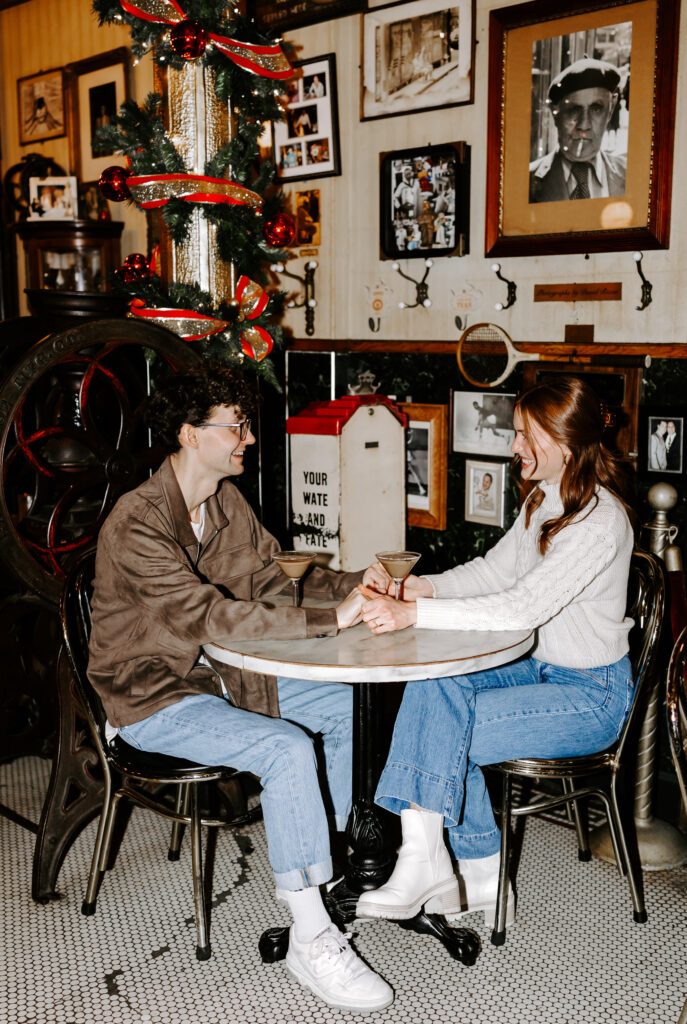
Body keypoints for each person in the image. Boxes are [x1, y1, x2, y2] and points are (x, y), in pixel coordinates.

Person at [87, 366, 393, 1013]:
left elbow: (277, 582)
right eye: (236, 426)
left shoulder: (225, 504)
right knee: (285, 750)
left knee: (343, 708)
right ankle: (313, 942)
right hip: (151, 698)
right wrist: (327, 621)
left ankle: (320, 876)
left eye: (245, 425)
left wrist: (356, 588)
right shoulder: (136, 522)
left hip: (217, 680)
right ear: (190, 434)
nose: (248, 439)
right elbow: (208, 616)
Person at [354, 376, 635, 930]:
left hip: (592, 695)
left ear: (564, 441)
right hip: (542, 669)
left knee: (442, 731)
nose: (513, 447)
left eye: (525, 435)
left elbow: (519, 608)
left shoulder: (600, 523)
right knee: (436, 681)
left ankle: (444, 863)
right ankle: (465, 871)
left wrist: (414, 615)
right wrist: (417, 588)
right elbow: (493, 572)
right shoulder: (543, 498)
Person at [529, 57, 626, 204]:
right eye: (573, 110)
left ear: (611, 110)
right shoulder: (526, 182)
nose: (584, 124)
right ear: (555, 114)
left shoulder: (633, 176)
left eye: (596, 109)